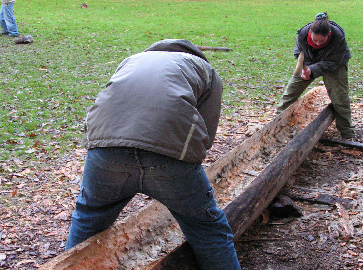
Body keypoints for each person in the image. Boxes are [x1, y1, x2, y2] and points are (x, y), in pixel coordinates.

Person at [65, 39, 241, 270]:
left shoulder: (132, 60)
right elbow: (207, 134)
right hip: (169, 159)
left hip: (105, 151)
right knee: (207, 228)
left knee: (89, 216)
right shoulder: (206, 71)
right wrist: (185, 174)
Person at [277, 12, 355, 139]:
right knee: (290, 93)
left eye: (322, 41)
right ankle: (276, 127)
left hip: (335, 63)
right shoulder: (302, 34)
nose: (318, 44)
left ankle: (347, 133)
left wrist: (312, 70)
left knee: (340, 97)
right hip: (309, 61)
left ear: (328, 35)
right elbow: (299, 53)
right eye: (315, 40)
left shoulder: (338, 37)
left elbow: (333, 62)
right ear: (310, 34)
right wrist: (305, 68)